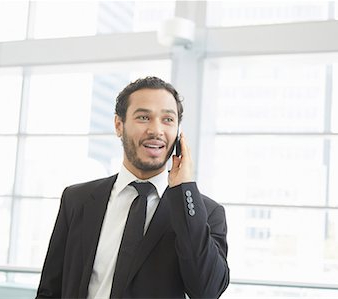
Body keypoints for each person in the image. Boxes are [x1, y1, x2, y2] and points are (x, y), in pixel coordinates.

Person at [36, 77, 230, 298]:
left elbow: (207, 290)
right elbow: (50, 289)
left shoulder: (204, 212)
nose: (156, 130)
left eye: (168, 119)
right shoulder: (76, 199)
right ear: (119, 125)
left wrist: (184, 188)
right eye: (144, 117)